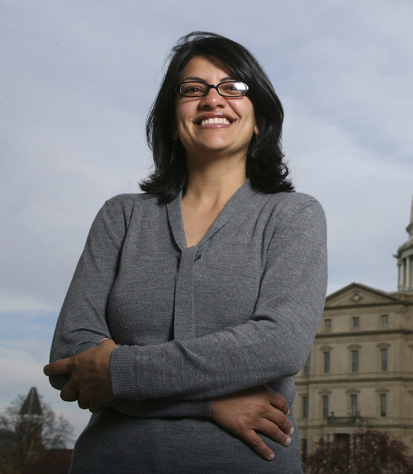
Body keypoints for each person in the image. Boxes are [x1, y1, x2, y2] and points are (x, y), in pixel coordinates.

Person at [43, 31, 327, 473]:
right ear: (171, 120)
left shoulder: (293, 215)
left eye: (233, 87)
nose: (213, 99)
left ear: (259, 120)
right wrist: (211, 403)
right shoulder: (121, 216)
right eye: (193, 89)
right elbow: (70, 359)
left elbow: (279, 345)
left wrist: (119, 373)